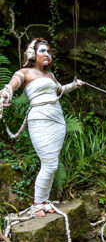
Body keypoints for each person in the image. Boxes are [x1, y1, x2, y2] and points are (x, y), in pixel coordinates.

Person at [0, 38, 83, 217]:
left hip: (57, 121)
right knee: (50, 164)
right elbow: (10, 86)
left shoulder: (50, 75)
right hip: (40, 120)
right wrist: (5, 94)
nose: (47, 54)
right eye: (43, 51)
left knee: (51, 163)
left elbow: (59, 90)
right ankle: (37, 203)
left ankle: (44, 201)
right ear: (32, 54)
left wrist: (74, 86)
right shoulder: (24, 73)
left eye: (48, 52)